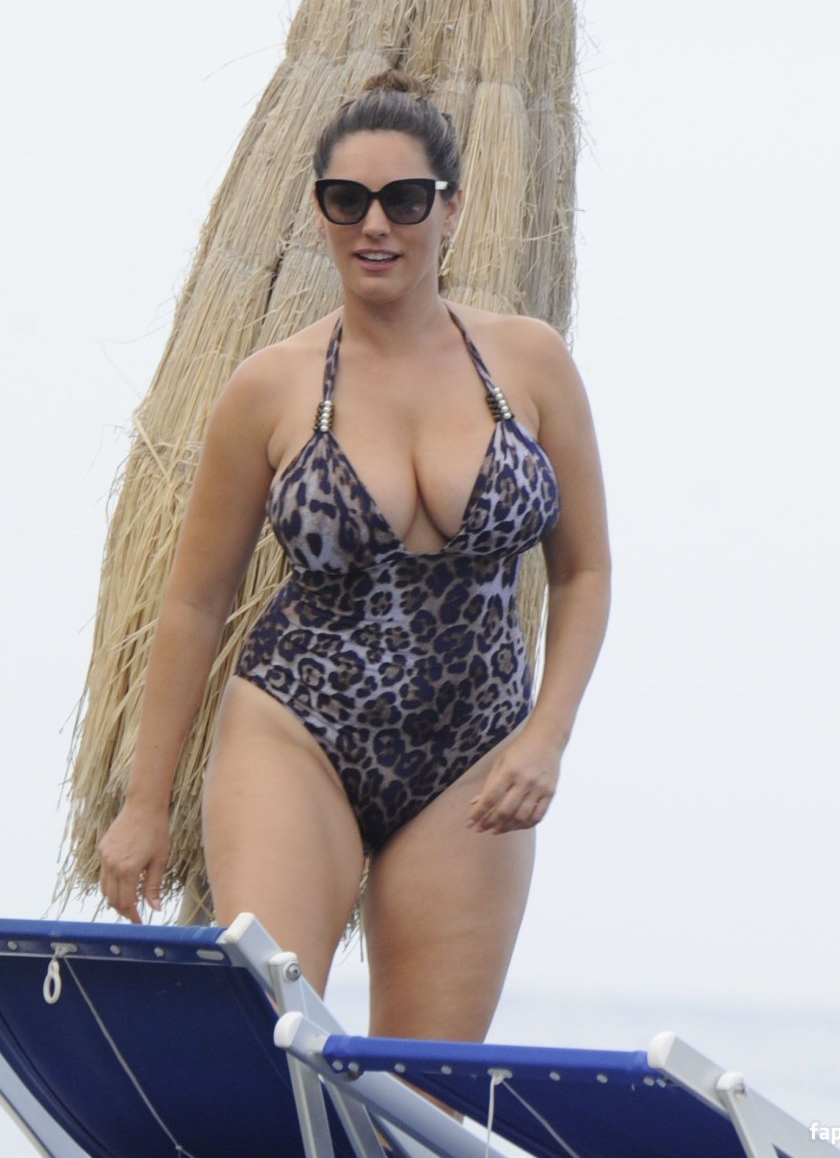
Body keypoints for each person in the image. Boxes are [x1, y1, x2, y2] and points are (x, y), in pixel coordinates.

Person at [97, 70, 608, 1042]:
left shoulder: (531, 363)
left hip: (474, 747)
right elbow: (195, 603)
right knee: (277, 1044)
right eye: (348, 199)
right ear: (321, 211)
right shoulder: (270, 386)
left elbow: (586, 570)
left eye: (405, 199)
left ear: (451, 210)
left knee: (424, 1085)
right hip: (298, 726)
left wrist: (547, 735)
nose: (376, 224)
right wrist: (144, 804)